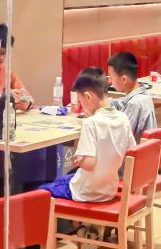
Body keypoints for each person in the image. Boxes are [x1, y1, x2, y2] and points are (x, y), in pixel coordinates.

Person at [40, 67, 134, 203]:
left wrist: (80, 159)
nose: (81, 105)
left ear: (88, 97)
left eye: (80, 100)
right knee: (61, 179)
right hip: (109, 190)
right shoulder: (123, 118)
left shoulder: (90, 123)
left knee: (41, 190)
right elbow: (131, 152)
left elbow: (89, 163)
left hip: (86, 192)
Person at [107, 51, 156, 142]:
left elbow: (120, 139)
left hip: (134, 150)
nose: (109, 81)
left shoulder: (134, 104)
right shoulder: (144, 96)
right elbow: (121, 102)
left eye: (111, 77)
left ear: (124, 79)